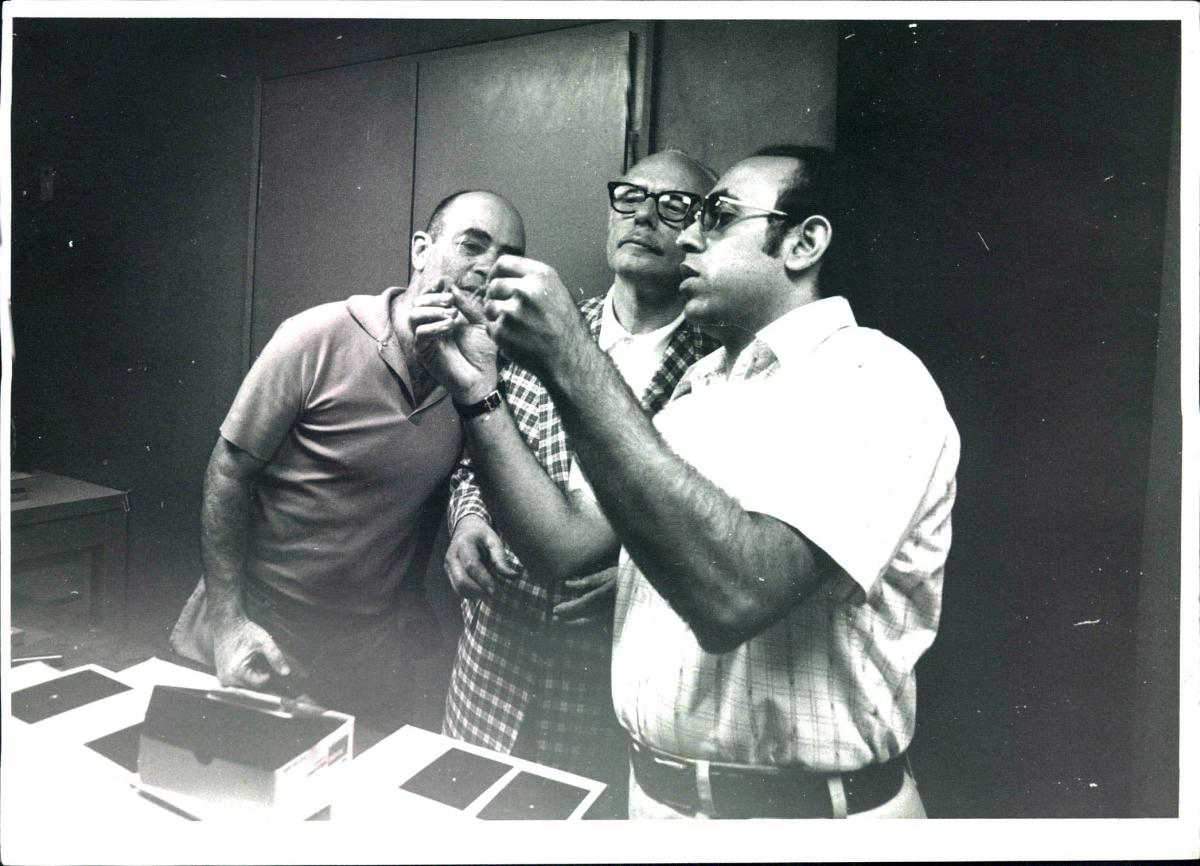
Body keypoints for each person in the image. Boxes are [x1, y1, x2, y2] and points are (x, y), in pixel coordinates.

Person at [410, 145, 960, 818]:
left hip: (809, 824)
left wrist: (569, 355)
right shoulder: (697, 397)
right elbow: (562, 547)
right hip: (658, 806)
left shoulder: (875, 379)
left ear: (805, 241)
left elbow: (734, 597)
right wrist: (476, 392)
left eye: (718, 216)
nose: (690, 235)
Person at [169, 190, 525, 732]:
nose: (487, 266)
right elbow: (228, 471)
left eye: (505, 256)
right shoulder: (316, 336)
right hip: (257, 628)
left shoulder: (481, 376)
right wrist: (227, 624)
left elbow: (464, 480)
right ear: (421, 250)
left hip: (364, 655)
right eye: (472, 245)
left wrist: (469, 521)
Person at [438, 151, 719, 812]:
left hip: (599, 704)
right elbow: (476, 457)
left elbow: (719, 529)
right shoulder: (530, 328)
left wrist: (635, 575)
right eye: (630, 197)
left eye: (674, 206)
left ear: (704, 231)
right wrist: (468, 519)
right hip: (488, 680)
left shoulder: (719, 368)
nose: (645, 216)